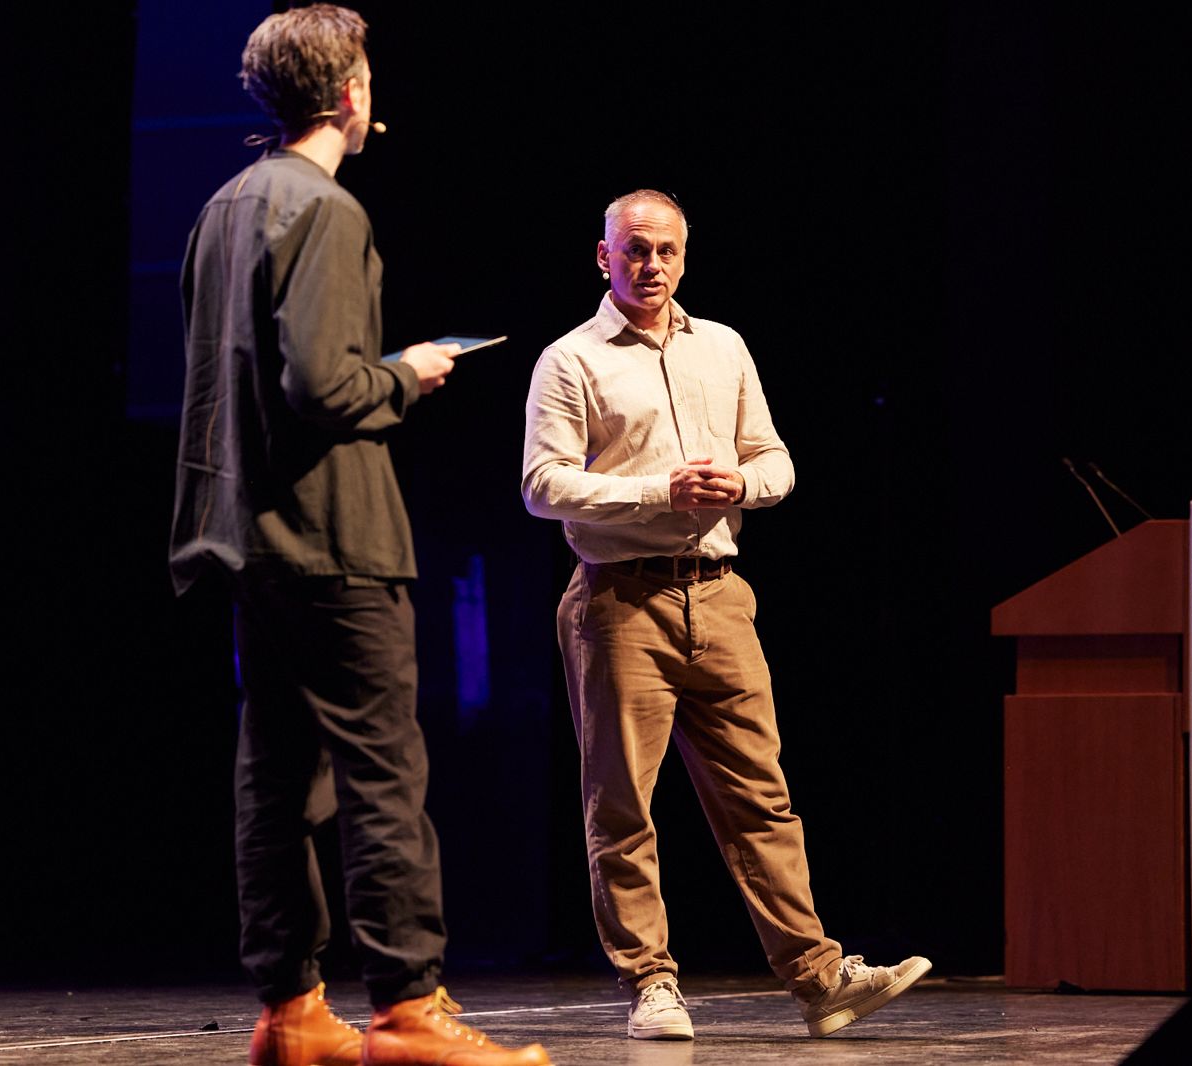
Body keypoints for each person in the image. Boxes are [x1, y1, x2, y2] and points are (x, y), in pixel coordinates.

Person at [169, 7, 548, 1065]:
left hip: (249, 537)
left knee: (275, 776)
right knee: (384, 773)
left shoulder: (222, 208)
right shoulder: (324, 209)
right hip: (335, 537)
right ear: (350, 94)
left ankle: (290, 1010)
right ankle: (408, 1009)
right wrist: (408, 373)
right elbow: (323, 387)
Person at [521, 189, 931, 1041]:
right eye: (635, 249)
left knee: (762, 798)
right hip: (620, 599)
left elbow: (774, 460)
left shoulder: (724, 345)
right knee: (622, 806)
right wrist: (656, 490)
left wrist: (741, 482)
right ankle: (651, 984)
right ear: (604, 256)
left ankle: (820, 980)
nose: (652, 265)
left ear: (685, 255)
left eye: (666, 250)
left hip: (719, 593)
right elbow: (543, 485)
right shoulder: (571, 359)